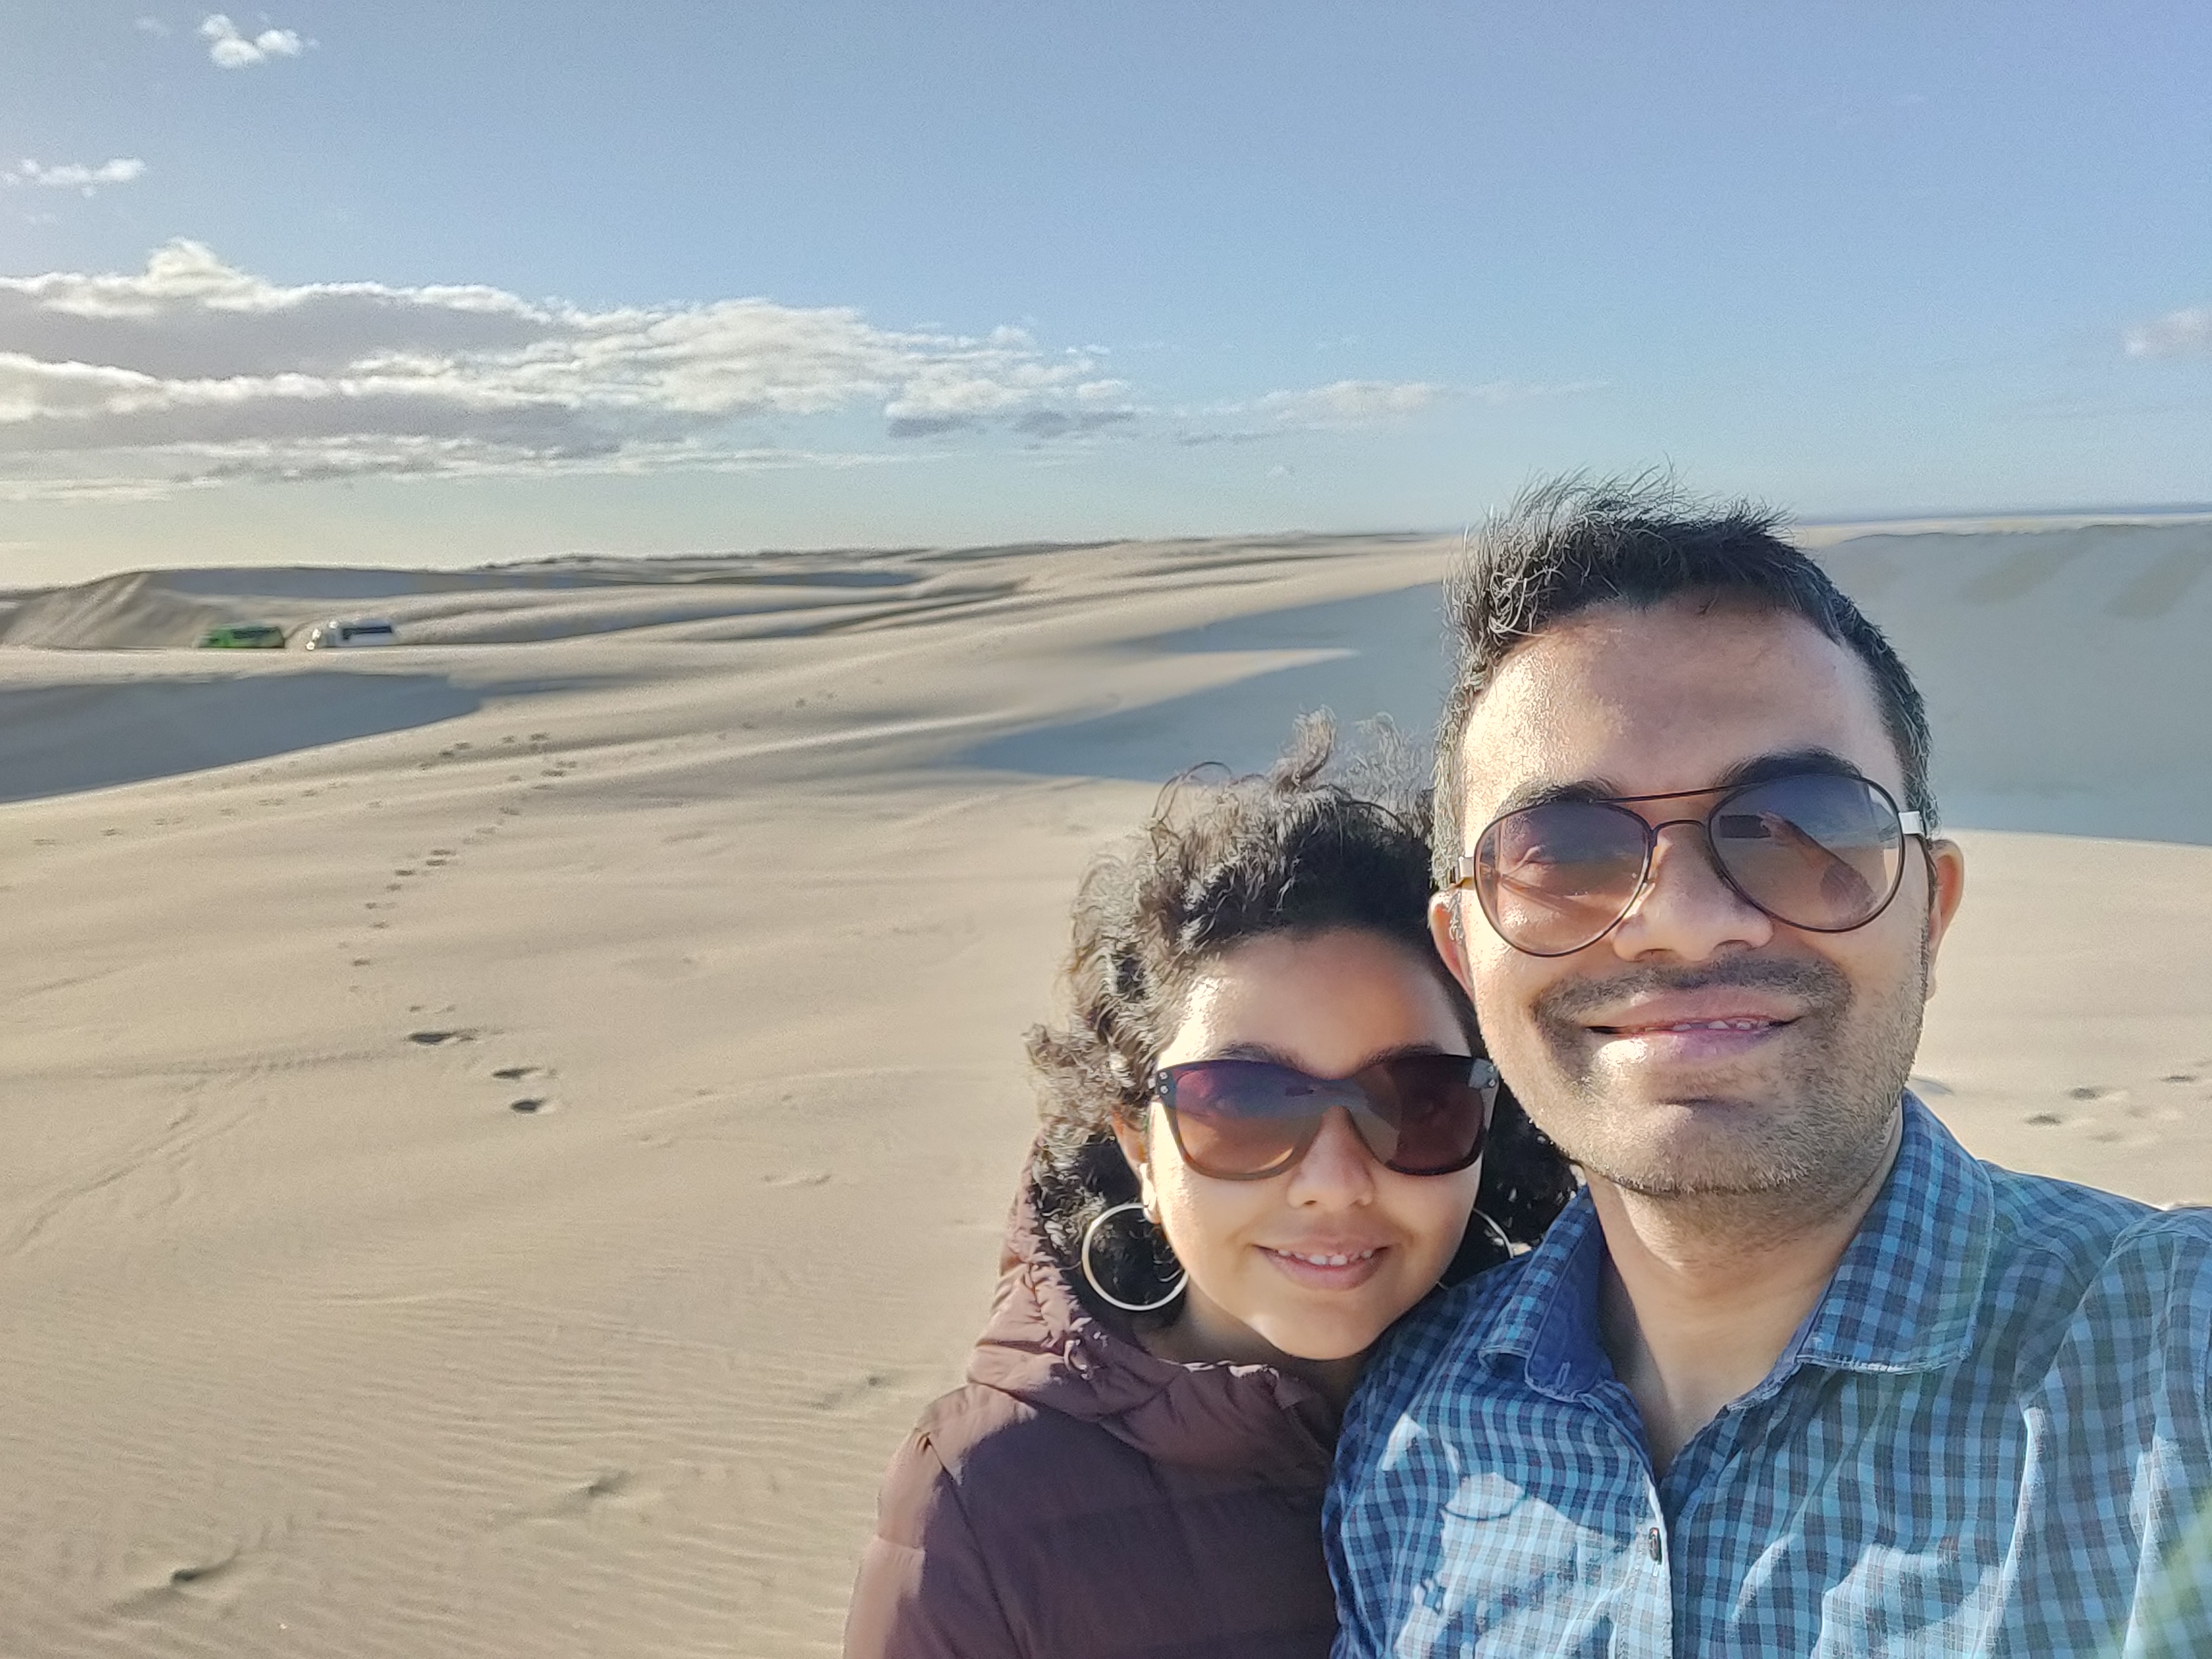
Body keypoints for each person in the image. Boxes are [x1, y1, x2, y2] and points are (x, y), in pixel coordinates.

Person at [1328, 475, 2212, 1657]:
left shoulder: (2175, 1356)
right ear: (1464, 954)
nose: (1686, 924)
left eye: (1804, 827)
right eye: (1563, 853)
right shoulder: (1409, 1427)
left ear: (1931, 914)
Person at [844, 721, 1576, 1659]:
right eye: (1243, 1105)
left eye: (1414, 1102)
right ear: (1139, 1147)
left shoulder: (1592, 1414)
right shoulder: (985, 1504)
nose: (1333, 1183)